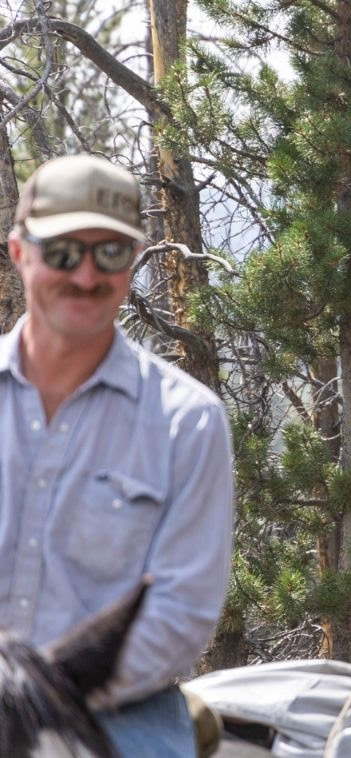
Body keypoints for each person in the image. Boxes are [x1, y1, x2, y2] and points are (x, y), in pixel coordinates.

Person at [0, 154, 234, 757]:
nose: (86, 276)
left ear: (132, 262)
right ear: (20, 252)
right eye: (63, 252)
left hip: (118, 712)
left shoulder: (188, 421)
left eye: (108, 254)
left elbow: (181, 614)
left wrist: (28, 697)